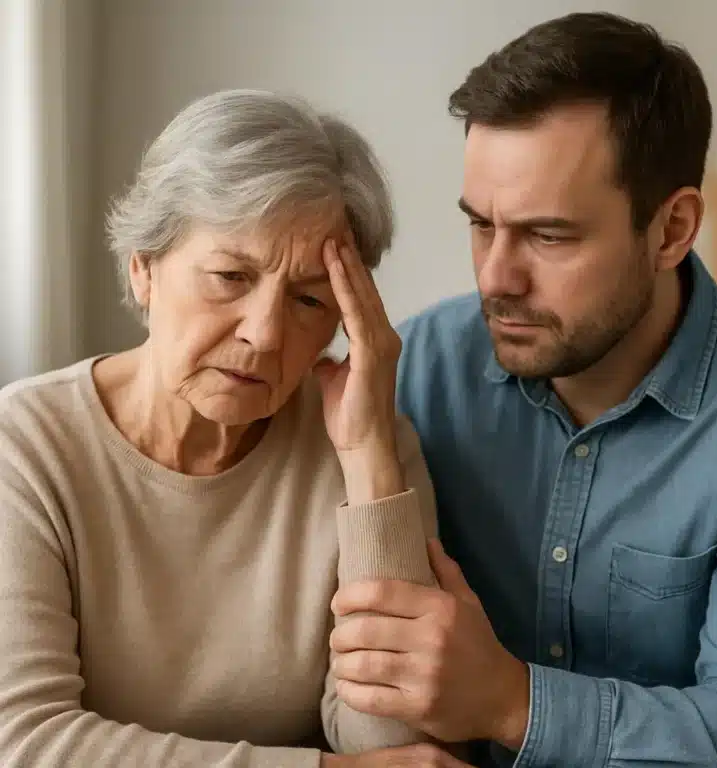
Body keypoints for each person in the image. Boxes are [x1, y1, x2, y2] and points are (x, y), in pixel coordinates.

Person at [328, 12, 717, 767]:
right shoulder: (418, 372)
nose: (496, 277)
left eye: (549, 235)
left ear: (672, 230)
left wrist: (509, 701)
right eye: (480, 225)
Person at [0, 89, 473, 768]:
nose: (263, 333)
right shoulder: (27, 445)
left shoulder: (372, 448)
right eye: (229, 276)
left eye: (309, 299)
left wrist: (368, 462)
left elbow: (397, 747)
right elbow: (25, 743)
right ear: (144, 269)